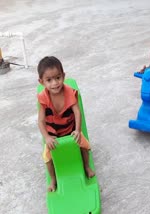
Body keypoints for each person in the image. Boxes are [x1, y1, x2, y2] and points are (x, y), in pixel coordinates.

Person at [37, 56, 95, 192]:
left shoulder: (69, 92)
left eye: (58, 78)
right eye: (49, 80)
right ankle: (53, 178)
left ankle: (86, 166)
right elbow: (40, 121)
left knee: (85, 146)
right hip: (53, 135)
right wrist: (47, 138)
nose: (55, 83)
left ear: (63, 76)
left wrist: (77, 130)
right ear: (42, 82)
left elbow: (77, 112)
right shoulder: (43, 98)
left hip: (70, 130)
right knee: (47, 156)